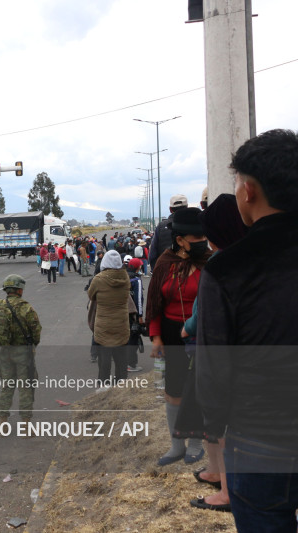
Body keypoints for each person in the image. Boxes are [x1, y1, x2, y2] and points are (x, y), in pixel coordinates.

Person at [195, 130, 298, 528]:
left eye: (237, 183)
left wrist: (216, 423)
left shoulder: (226, 268)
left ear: (249, 190)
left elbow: (214, 367)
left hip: (259, 437)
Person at [175, 194, 247, 514]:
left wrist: (188, 328)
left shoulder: (221, 264)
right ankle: (219, 475)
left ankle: (227, 492)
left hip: (221, 357)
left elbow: (206, 314)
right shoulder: (255, 256)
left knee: (221, 423)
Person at [145, 207, 210, 467]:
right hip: (172, 333)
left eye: (203, 237)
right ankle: (176, 445)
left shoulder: (209, 262)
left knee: (198, 390)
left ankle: (196, 443)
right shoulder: (165, 263)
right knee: (173, 390)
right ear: (180, 239)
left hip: (202, 334)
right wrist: (156, 337)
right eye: (196, 239)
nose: (201, 242)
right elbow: (154, 304)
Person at [0, 275, 41, 425]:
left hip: (5, 352)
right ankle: (26, 425)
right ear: (20, 290)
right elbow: (36, 332)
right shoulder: (26, 307)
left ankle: (3, 422)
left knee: (7, 387)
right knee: (25, 388)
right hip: (23, 352)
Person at [87, 250, 130, 387]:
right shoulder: (126, 278)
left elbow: (91, 295)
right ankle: (120, 389)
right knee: (121, 361)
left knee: (104, 363)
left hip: (104, 325)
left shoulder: (99, 279)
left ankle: (103, 390)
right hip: (121, 324)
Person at [149, 194, 189, 270]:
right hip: (189, 271)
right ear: (187, 207)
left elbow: (153, 254)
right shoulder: (193, 224)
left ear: (170, 209)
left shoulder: (161, 226)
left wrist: (157, 272)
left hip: (165, 271)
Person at [126, 258, 145, 373]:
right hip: (132, 314)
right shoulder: (136, 280)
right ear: (137, 267)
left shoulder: (123, 276)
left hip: (121, 312)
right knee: (132, 339)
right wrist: (140, 315)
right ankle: (131, 364)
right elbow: (138, 299)